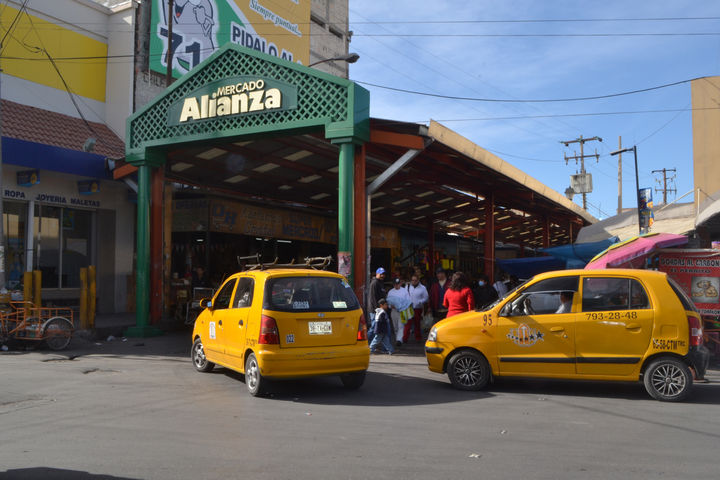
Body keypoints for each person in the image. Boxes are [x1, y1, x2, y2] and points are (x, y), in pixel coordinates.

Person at [387, 278, 412, 346]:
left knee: (401, 326)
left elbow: (408, 300)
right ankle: (397, 338)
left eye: (398, 284)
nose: (396, 285)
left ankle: (399, 340)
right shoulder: (390, 292)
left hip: (402, 311)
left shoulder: (404, 291)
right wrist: (390, 306)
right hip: (394, 311)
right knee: (395, 326)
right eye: (395, 284)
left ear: (400, 284)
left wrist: (404, 307)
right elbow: (388, 302)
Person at [404, 274, 429, 343]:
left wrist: (420, 302)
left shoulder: (423, 288)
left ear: (418, 280)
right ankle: (405, 338)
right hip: (408, 308)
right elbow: (404, 295)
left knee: (417, 324)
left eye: (415, 280)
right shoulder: (408, 286)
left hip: (417, 308)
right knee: (407, 324)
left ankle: (418, 338)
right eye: (412, 280)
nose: (414, 282)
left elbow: (426, 298)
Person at [367, 267, 387, 343]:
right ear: (377, 274)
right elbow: (373, 298)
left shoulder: (380, 283)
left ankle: (374, 345)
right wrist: (377, 310)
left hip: (380, 309)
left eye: (383, 274)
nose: (382, 275)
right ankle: (366, 342)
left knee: (378, 328)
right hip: (375, 310)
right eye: (381, 274)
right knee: (373, 327)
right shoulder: (374, 283)